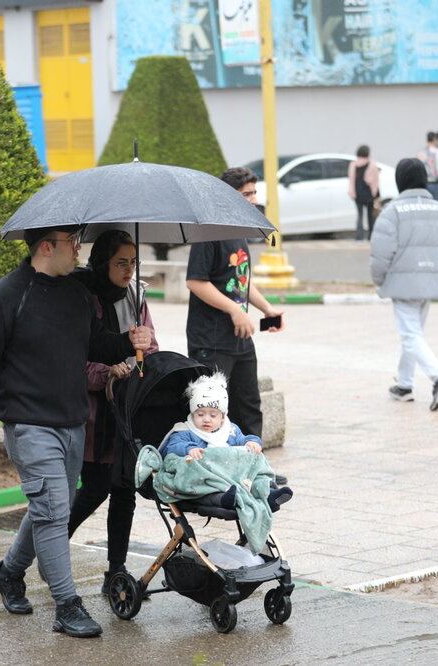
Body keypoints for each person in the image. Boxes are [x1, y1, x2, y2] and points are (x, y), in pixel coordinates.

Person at [0, 225, 152, 639]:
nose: (78, 250)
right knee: (51, 511)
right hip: (29, 424)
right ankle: (67, 605)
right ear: (46, 247)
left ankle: (8, 573)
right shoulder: (7, 296)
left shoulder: (77, 294)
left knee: (51, 507)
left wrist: (128, 341)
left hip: (73, 422)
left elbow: (95, 345)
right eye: (72, 243)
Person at [66, 230, 158, 595]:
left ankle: (115, 573)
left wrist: (141, 362)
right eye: (122, 263)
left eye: (133, 262)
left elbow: (151, 345)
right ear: (102, 262)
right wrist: (107, 372)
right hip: (92, 413)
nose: (129, 270)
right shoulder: (81, 296)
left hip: (127, 407)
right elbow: (74, 359)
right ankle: (46, 551)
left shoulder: (136, 295)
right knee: (95, 488)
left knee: (124, 489)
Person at [185, 166, 288, 485]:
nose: (254, 199)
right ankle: (212, 473)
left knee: (248, 404)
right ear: (229, 196)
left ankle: (255, 468)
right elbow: (195, 282)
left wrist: (266, 308)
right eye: (247, 194)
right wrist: (234, 310)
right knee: (211, 408)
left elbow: (240, 282)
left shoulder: (238, 230)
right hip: (211, 338)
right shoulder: (210, 233)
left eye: (255, 193)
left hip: (239, 337)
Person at [370, 158, 438, 411]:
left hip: (402, 284)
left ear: (400, 182)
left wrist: (380, 280)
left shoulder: (392, 212)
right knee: (414, 335)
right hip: (431, 283)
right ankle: (405, 384)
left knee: (410, 335)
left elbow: (380, 254)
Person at [159, 372, 293, 513]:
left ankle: (269, 494)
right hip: (207, 479)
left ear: (223, 417)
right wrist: (188, 448)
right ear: (192, 414)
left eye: (213, 415)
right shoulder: (186, 431)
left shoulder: (230, 430)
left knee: (254, 466)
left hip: (234, 476)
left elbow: (242, 439)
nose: (206, 419)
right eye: (200, 414)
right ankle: (225, 499)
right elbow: (173, 446)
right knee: (208, 491)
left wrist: (252, 442)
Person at [347, 145, 380, 241]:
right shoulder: (372, 164)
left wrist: (352, 192)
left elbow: (351, 180)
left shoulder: (353, 165)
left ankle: (359, 237)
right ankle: (371, 236)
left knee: (360, 216)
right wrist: (376, 194)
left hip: (357, 194)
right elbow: (375, 181)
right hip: (369, 194)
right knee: (371, 216)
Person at [416, 132, 438, 205]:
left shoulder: (421, 152)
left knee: (426, 205)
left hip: (423, 184)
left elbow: (418, 168)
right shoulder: (437, 152)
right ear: (434, 140)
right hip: (435, 183)